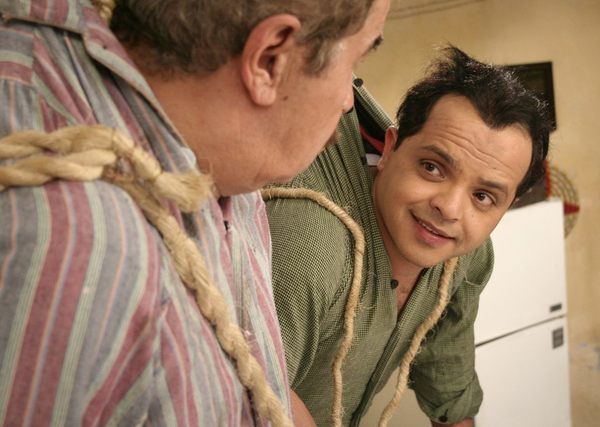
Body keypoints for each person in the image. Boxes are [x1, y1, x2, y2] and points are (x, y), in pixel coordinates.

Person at [0, 0, 389, 425]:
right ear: (269, 60)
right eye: (356, 60)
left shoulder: (228, 157)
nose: (348, 101)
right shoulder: (79, 247)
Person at [265, 46, 551, 426]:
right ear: (389, 148)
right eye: (432, 167)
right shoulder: (313, 248)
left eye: (483, 197)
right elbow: (254, 389)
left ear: (506, 207)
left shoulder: (467, 257)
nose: (449, 208)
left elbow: (447, 379)